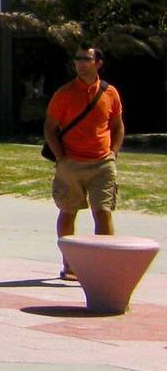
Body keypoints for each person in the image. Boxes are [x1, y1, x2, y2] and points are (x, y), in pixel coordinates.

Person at [45, 45, 123, 280]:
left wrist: (114, 153)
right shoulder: (65, 93)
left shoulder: (110, 93)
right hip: (72, 164)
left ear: (98, 63)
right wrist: (61, 158)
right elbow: (49, 128)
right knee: (68, 212)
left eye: (85, 59)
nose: (80, 63)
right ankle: (69, 264)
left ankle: (102, 265)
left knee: (104, 212)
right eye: (77, 59)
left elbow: (118, 125)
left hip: (102, 164)